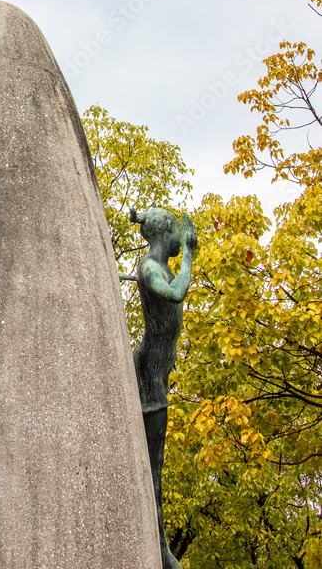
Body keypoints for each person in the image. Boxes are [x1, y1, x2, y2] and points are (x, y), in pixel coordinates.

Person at [120, 206, 198, 569]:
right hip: (150, 378)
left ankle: (160, 546)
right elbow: (175, 294)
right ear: (165, 235)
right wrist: (191, 257)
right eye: (176, 238)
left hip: (156, 372)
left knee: (155, 466)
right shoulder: (152, 269)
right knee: (153, 469)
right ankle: (161, 549)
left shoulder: (160, 266)